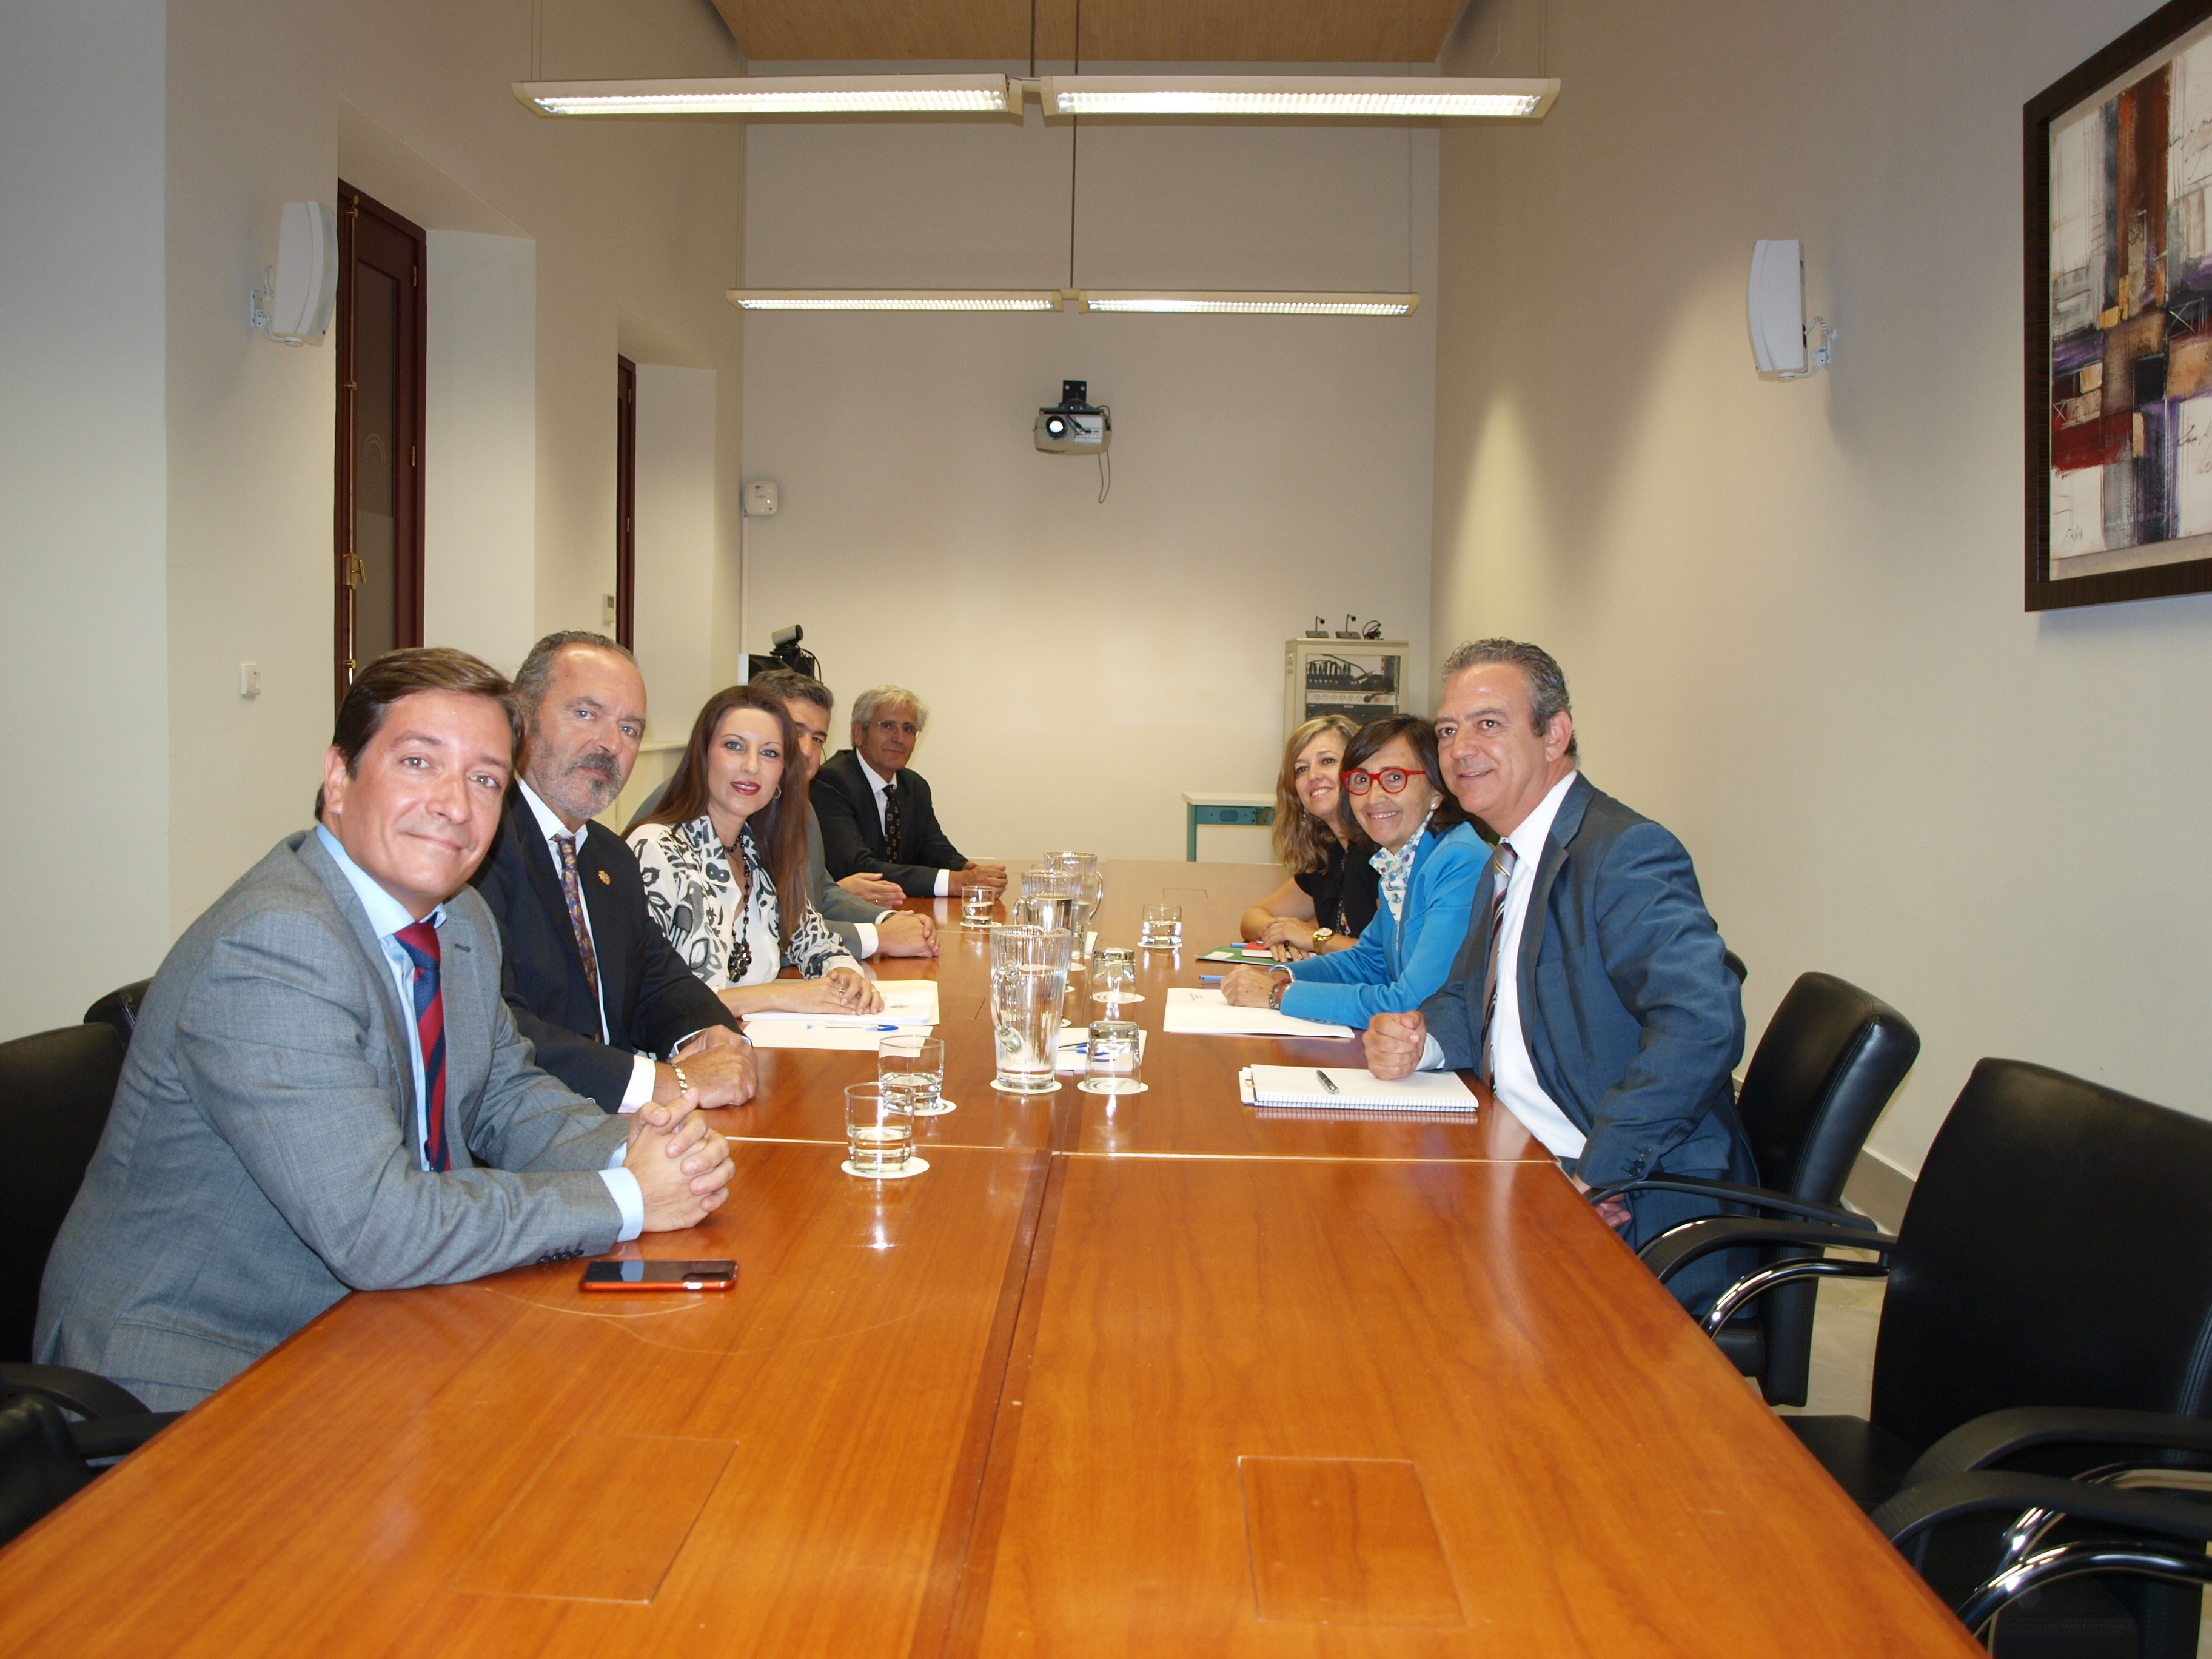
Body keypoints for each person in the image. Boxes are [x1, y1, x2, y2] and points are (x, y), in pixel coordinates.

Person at [35, 649, 734, 1412]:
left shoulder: (459, 920)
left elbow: (505, 1093)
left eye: (485, 780)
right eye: (418, 763)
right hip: (204, 1370)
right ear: (338, 778)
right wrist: (626, 1195)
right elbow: (377, 1227)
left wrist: (640, 1148)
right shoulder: (272, 946)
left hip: (381, 1324)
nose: (454, 804)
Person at [1361, 640, 1755, 1313]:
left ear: (1555, 735)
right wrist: (1419, 1040)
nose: (1460, 750)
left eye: (1488, 724)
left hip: (1628, 1198)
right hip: (1519, 1155)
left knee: (1405, 1302)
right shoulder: (1509, 858)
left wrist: (1602, 1175)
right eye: (1448, 731)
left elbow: (1702, 1022)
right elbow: (1470, 996)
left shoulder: (1622, 851)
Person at [472, 632, 757, 1115]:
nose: (610, 744)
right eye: (586, 714)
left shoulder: (609, 856)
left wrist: (711, 1035)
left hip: (623, 1123)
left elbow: (655, 980)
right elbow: (496, 1025)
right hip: (528, 1129)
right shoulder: (478, 846)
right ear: (521, 716)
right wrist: (664, 1082)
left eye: (629, 728)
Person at [629, 685, 885, 1017]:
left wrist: (846, 974)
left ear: (783, 773)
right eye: (734, 746)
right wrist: (777, 995)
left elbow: (817, 943)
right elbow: (648, 999)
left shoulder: (760, 852)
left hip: (751, 1042)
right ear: (702, 756)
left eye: (770, 753)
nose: (752, 766)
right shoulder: (656, 849)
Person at [1221, 716, 1483, 1026]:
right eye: (1361, 780)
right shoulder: (1398, 861)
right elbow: (1368, 961)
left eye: (1394, 778)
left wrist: (1279, 994)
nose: (1373, 797)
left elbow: (1413, 1003)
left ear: (1437, 791)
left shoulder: (1458, 860)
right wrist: (1281, 975)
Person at [749, 666, 937, 964]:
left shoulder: (798, 806)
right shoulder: (720, 813)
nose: (807, 750)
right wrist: (880, 937)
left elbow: (820, 891)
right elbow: (764, 933)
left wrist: (888, 919)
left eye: (817, 739)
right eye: (795, 732)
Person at [812, 685, 1007, 899]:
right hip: (847, 911)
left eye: (908, 729)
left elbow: (934, 848)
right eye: (887, 726)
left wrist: (971, 871)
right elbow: (858, 867)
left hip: (902, 907)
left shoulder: (914, 785)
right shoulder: (830, 782)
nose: (899, 738)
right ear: (859, 733)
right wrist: (955, 882)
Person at [1238, 714, 1378, 960]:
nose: (1313, 775)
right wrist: (1283, 934)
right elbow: (1253, 918)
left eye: (1327, 761)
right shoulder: (1330, 855)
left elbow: (1388, 957)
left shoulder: (1380, 850)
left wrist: (1315, 939)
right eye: (1302, 769)